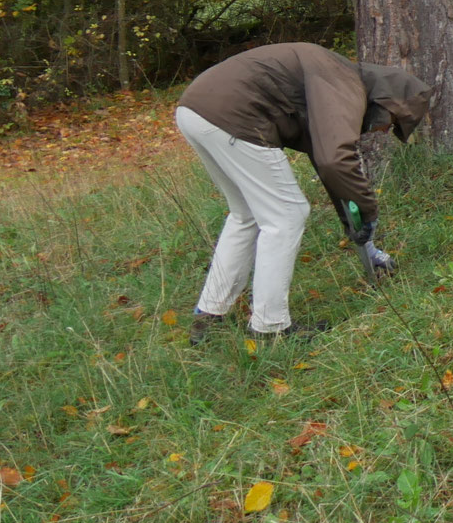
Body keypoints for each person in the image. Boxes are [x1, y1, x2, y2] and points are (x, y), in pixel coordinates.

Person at [176, 43, 433, 343]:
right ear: (387, 103)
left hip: (195, 110)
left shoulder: (332, 78)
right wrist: (369, 213)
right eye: (391, 124)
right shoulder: (344, 84)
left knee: (246, 214)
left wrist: (353, 220)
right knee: (286, 215)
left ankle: (209, 315)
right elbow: (334, 159)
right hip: (235, 115)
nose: (383, 131)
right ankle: (270, 328)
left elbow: (326, 161)